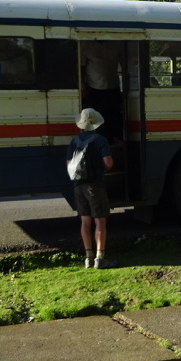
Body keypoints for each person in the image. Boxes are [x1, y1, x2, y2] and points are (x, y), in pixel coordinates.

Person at [67, 108, 114, 268]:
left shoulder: (74, 140)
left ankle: (88, 257)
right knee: (100, 222)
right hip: (95, 184)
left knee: (85, 221)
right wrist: (102, 169)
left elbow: (68, 164)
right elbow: (108, 163)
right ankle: (100, 259)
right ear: (96, 123)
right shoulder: (100, 140)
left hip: (78, 185)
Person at [81, 41, 123, 143]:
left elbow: (124, 61)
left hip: (113, 85)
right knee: (95, 117)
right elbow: (81, 66)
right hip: (94, 87)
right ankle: (96, 141)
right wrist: (82, 84)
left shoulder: (115, 44)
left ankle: (114, 139)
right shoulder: (87, 44)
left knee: (114, 114)